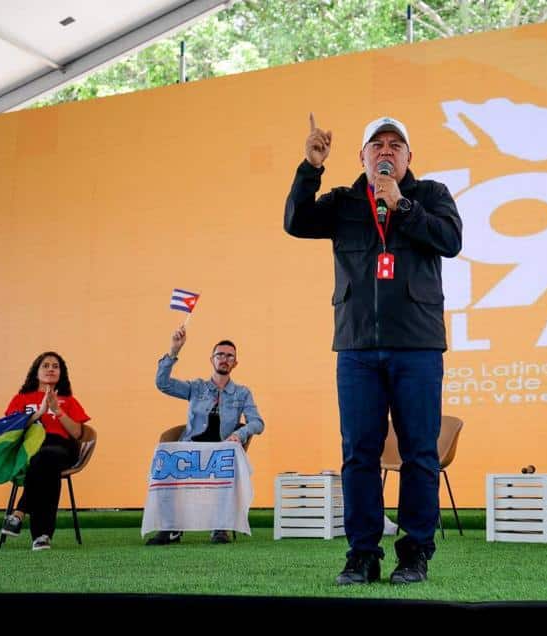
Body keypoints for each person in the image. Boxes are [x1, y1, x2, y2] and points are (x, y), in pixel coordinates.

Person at [284, 114, 462, 584]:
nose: (385, 152)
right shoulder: (343, 202)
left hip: (417, 345)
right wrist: (310, 168)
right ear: (362, 157)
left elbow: (451, 241)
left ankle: (415, 552)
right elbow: (296, 222)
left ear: (409, 157)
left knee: (419, 453)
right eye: (376, 146)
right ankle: (362, 553)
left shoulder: (432, 196)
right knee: (359, 453)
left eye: (395, 145)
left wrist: (402, 205)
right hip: (357, 346)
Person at [146, 326, 265, 545]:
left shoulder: (242, 393)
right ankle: (170, 528)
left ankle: (220, 527)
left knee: (229, 465)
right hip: (190, 450)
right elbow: (162, 384)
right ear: (212, 359)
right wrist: (173, 351)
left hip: (220, 452)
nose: (224, 359)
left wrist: (240, 434)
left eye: (230, 356)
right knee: (163, 465)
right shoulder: (196, 387)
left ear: (235, 363)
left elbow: (258, 422)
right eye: (220, 355)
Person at [0, 352, 91, 551]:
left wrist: (57, 410)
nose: (51, 369)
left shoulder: (68, 400)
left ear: (61, 373)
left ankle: (19, 514)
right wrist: (39, 413)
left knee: (45, 459)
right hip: (32, 448)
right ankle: (42, 537)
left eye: (55, 366)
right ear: (36, 372)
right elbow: (11, 428)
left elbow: (77, 433)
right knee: (43, 464)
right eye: (46, 365)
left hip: (62, 448)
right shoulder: (21, 398)